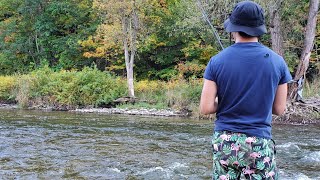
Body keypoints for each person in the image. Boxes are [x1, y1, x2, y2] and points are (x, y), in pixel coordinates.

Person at [199, 1, 292, 180]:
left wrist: (226, 101)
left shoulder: (216, 61)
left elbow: (205, 108)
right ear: (259, 29)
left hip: (225, 143)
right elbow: (279, 109)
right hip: (258, 143)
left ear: (233, 28)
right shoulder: (278, 62)